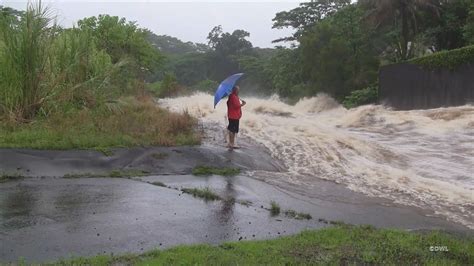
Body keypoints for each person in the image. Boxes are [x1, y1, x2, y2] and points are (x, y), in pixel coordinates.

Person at [227, 85, 246, 150]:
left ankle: (231, 143)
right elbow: (236, 106)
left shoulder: (233, 96)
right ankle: (231, 144)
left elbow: (230, 104)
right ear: (235, 90)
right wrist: (243, 104)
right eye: (238, 90)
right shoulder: (233, 97)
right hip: (234, 116)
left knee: (232, 130)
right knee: (232, 130)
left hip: (233, 116)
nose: (238, 91)